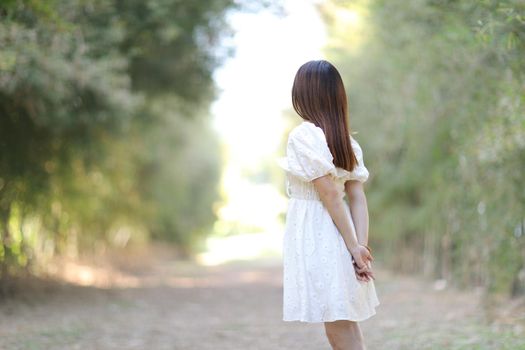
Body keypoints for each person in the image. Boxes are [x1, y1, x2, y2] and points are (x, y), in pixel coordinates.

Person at [276, 60, 380, 349]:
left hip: (320, 231)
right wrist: (361, 245)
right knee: (344, 319)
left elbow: (330, 195)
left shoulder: (304, 136)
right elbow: (357, 198)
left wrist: (356, 248)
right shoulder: (346, 142)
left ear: (303, 95)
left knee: (337, 321)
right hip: (343, 230)